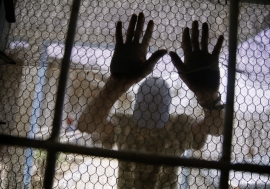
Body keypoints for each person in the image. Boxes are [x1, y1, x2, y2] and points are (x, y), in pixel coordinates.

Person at [77, 12, 224, 189]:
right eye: (148, 105)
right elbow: (86, 126)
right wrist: (116, 84)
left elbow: (217, 130)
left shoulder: (174, 125)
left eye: (155, 105)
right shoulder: (170, 126)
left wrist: (208, 95)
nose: (151, 111)